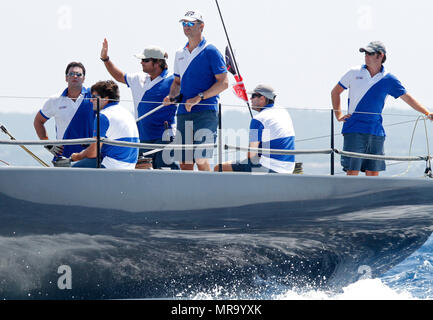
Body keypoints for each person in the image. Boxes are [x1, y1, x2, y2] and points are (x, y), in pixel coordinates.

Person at [331, 41, 433, 176]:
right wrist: (338, 115)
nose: (366, 56)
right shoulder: (354, 72)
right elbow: (335, 92)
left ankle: (371, 198)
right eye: (365, 53)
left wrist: (427, 112)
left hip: (376, 131)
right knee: (352, 171)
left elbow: (407, 98)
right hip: (354, 129)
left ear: (380, 56)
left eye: (370, 53)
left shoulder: (389, 79)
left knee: (373, 172)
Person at [163, 10, 228, 171]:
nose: (187, 27)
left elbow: (224, 83)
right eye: (184, 24)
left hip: (206, 113)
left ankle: (210, 192)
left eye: (191, 23)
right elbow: (177, 82)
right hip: (184, 112)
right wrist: (171, 96)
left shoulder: (211, 50)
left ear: (201, 26)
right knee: (184, 161)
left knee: (201, 157)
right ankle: (187, 195)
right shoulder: (179, 53)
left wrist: (200, 97)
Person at [100, 39, 179, 170]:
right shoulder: (138, 78)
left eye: (145, 60)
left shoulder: (173, 80)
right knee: (143, 173)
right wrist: (105, 59)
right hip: (142, 137)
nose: (141, 62)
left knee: (166, 171)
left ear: (158, 62)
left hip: (164, 137)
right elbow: (119, 76)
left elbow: (186, 93)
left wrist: (173, 97)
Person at [215, 85, 296, 174]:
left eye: (253, 96)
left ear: (262, 98)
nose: (250, 99)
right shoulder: (283, 111)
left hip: (269, 167)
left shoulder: (258, 119)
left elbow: (251, 155)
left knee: (219, 167)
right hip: (289, 168)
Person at [71, 80, 139, 169]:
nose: (91, 100)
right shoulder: (127, 112)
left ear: (106, 99)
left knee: (71, 171)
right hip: (130, 166)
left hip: (112, 165)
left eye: (94, 97)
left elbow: (93, 153)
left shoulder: (103, 116)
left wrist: (77, 156)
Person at [33, 62, 94, 159]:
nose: (75, 76)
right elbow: (38, 121)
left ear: (84, 78)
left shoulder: (93, 97)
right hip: (63, 156)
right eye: (71, 74)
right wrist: (48, 144)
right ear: (66, 78)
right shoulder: (55, 100)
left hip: (88, 155)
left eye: (79, 74)